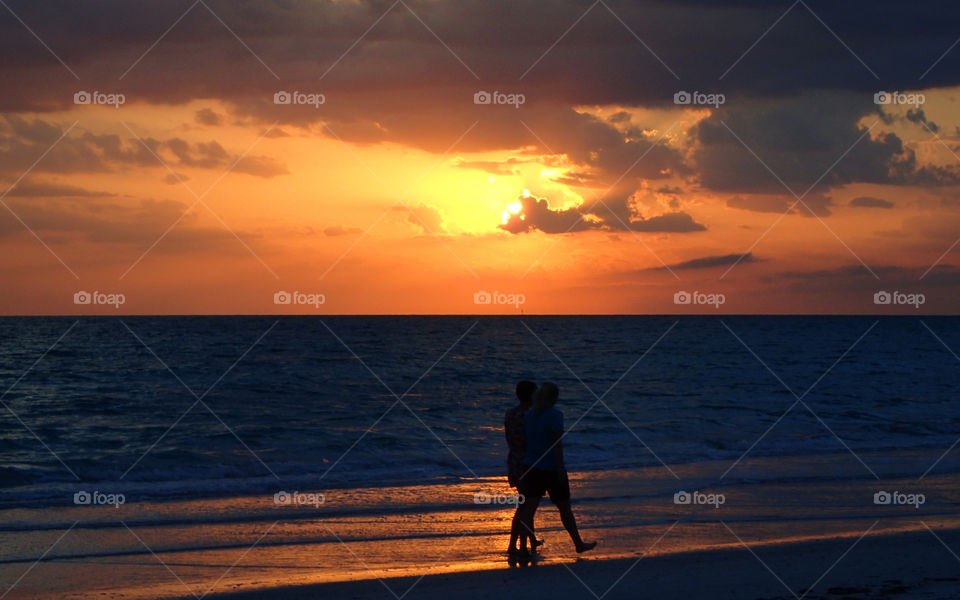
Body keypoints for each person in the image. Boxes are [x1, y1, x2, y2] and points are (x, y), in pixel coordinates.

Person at [517, 382, 596, 554]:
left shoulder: (529, 415)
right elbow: (556, 444)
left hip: (530, 466)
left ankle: (522, 547)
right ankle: (578, 544)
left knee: (529, 508)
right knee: (564, 508)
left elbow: (524, 441)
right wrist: (560, 468)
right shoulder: (555, 415)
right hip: (550, 468)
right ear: (553, 397)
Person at [505, 380, 542, 556]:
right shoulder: (531, 416)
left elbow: (509, 438)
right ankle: (515, 546)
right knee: (526, 506)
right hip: (528, 463)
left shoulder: (510, 414)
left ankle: (529, 541)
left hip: (514, 460)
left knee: (526, 502)